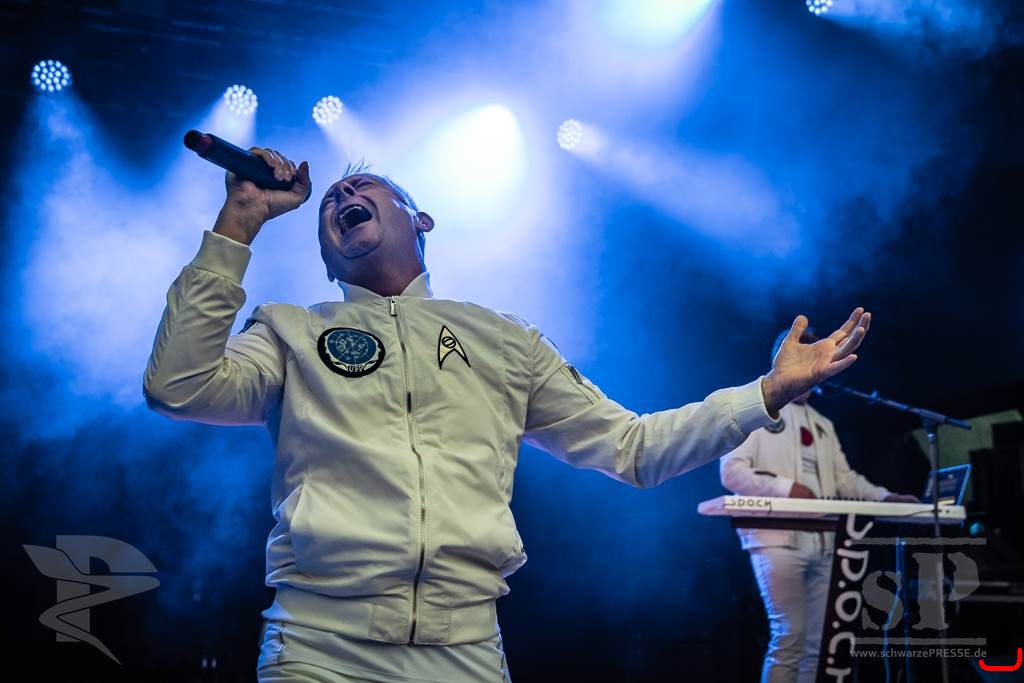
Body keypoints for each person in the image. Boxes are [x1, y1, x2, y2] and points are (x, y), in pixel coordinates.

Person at [144, 147, 873, 683]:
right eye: (330, 201)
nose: (341, 196)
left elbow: (634, 447)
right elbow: (178, 385)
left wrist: (765, 393)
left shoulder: (503, 339)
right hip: (320, 647)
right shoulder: (291, 329)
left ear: (420, 220)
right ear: (327, 262)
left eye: (362, 187)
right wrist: (239, 223)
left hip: (465, 653)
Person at [719, 328, 920, 683]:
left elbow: (846, 480)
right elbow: (731, 472)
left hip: (824, 539)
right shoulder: (756, 410)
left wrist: (886, 497)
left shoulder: (824, 425)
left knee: (818, 642)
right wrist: (787, 488)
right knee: (789, 636)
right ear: (782, 361)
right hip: (776, 539)